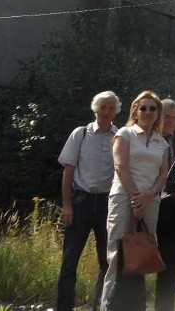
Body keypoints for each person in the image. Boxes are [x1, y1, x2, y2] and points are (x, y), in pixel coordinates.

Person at [101, 90, 170, 311]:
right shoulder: (125, 133)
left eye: (153, 108)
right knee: (117, 256)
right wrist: (135, 198)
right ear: (135, 111)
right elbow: (120, 166)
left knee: (141, 258)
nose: (148, 112)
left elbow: (163, 174)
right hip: (123, 197)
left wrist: (149, 195)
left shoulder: (162, 142)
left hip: (151, 202)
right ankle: (108, 306)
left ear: (158, 113)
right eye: (143, 108)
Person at [56, 90, 120, 311]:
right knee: (69, 260)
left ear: (116, 111)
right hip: (80, 202)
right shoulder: (80, 134)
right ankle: (64, 307)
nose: (107, 112)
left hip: (107, 204)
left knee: (107, 262)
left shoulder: (120, 136)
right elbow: (68, 171)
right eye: (103, 107)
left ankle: (99, 307)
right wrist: (66, 205)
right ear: (95, 108)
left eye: (111, 108)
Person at [155, 98, 175, 311]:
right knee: (136, 256)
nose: (170, 122)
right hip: (145, 203)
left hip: (173, 208)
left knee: (169, 261)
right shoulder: (144, 136)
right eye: (167, 116)